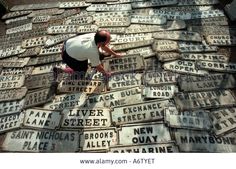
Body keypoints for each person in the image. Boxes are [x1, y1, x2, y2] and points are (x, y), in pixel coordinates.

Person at [53, 30, 122, 80]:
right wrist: (105, 73)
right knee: (81, 74)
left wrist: (115, 54)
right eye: (108, 41)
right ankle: (61, 69)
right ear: (101, 42)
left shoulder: (94, 35)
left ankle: (100, 56)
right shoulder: (92, 51)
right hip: (68, 56)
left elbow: (103, 46)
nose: (109, 41)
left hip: (68, 44)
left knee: (97, 54)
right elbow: (98, 67)